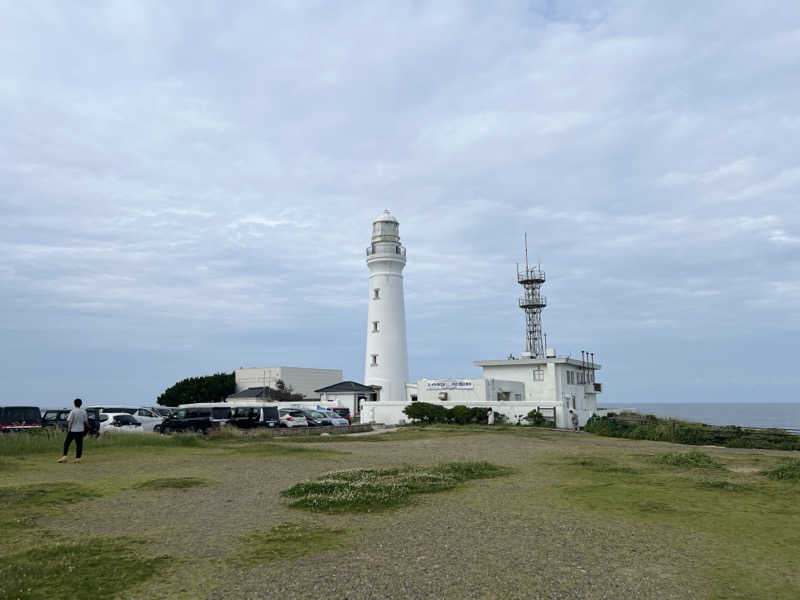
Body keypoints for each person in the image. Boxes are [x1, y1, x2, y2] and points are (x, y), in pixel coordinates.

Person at [58, 398, 89, 463]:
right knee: (79, 445)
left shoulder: (73, 411)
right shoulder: (84, 411)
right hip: (81, 430)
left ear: (74, 404)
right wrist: (88, 428)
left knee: (67, 443)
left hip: (73, 430)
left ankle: (64, 457)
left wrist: (69, 430)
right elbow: (86, 422)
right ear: (81, 404)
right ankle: (77, 458)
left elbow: (70, 422)